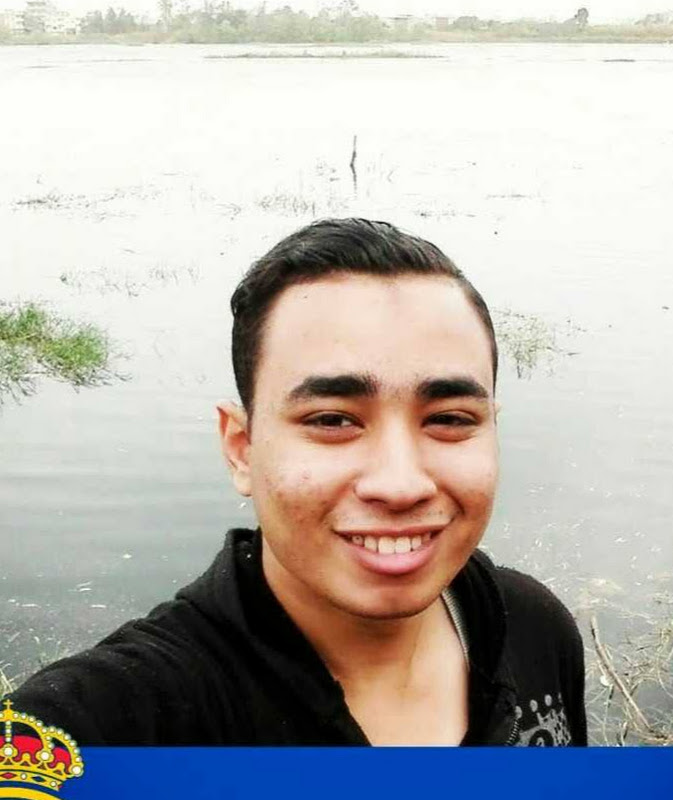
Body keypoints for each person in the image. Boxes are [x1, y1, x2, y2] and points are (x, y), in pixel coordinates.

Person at [9, 218, 586, 746]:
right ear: (241, 447)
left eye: (450, 419)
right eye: (332, 420)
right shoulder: (122, 718)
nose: (400, 484)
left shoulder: (533, 628)